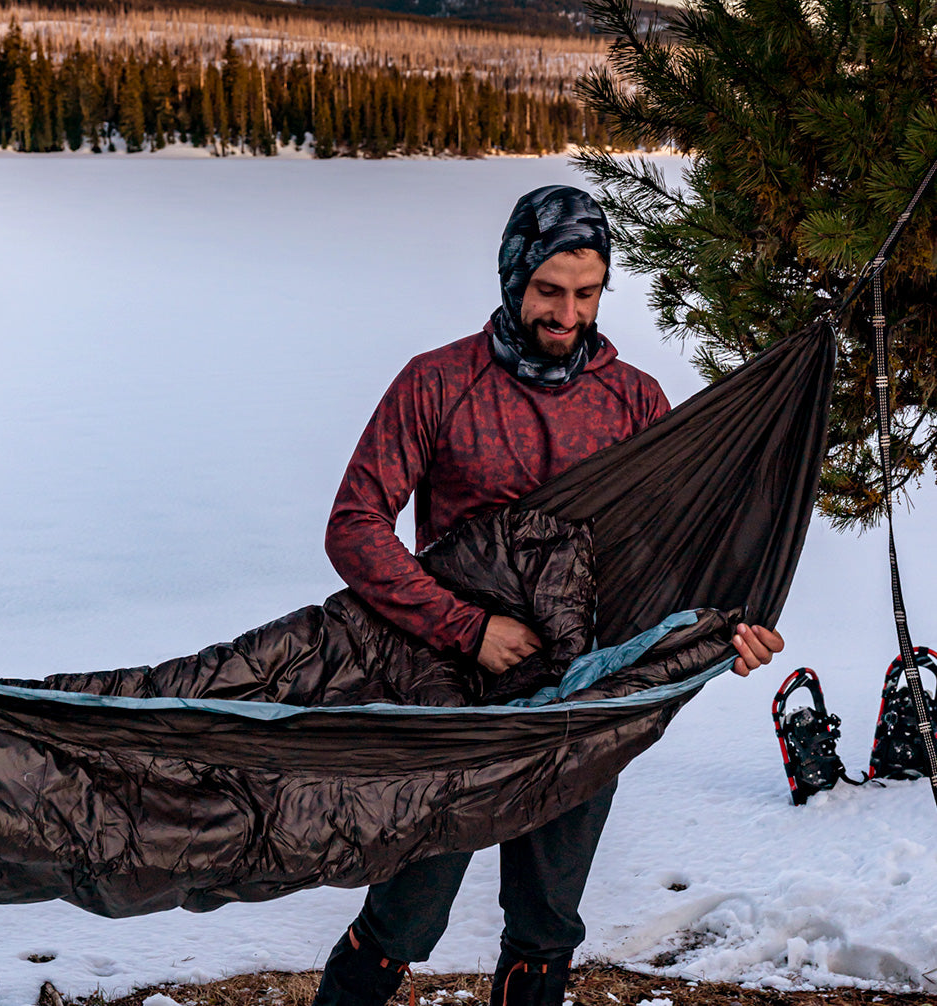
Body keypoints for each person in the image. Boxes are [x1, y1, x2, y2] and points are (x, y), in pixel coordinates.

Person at [314, 185, 784, 1006]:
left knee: (547, 922)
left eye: (586, 292)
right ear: (513, 278)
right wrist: (466, 628)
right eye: (548, 291)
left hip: (581, 698)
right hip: (456, 698)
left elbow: (673, 560)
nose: (567, 313)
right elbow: (354, 527)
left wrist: (725, 634)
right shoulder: (437, 383)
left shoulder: (635, 401)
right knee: (405, 910)